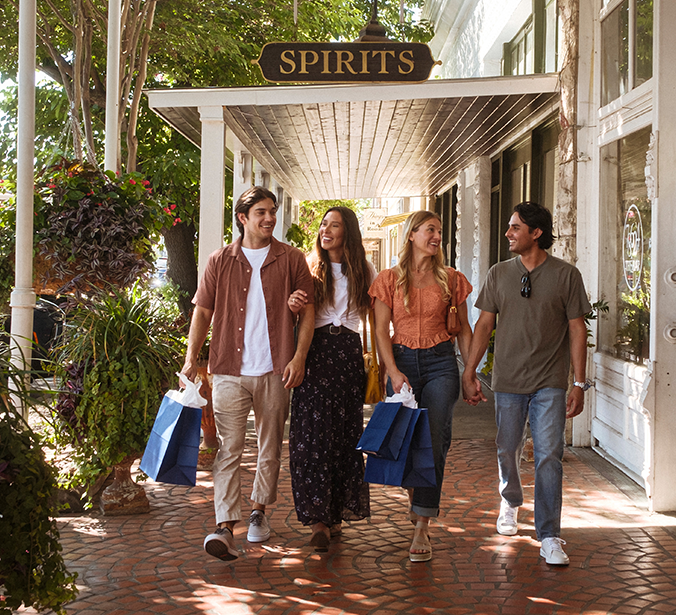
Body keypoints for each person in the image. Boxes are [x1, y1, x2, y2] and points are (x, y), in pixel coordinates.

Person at [181, 186, 315, 561]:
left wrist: (299, 356)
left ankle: (259, 511)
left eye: (272, 211)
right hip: (228, 369)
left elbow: (309, 312)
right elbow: (202, 312)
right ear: (243, 218)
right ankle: (225, 526)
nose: (269, 218)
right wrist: (192, 358)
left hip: (275, 370)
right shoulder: (220, 260)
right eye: (261, 212)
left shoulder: (291, 259)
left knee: (269, 449)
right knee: (228, 449)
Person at [462, 201, 590, 566]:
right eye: (509, 226)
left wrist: (579, 383)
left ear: (536, 233)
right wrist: (470, 371)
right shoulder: (499, 273)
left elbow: (577, 328)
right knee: (507, 447)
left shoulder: (567, 275)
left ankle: (549, 534)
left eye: (515, 227)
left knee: (550, 454)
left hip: (550, 380)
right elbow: (484, 325)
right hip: (507, 380)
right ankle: (511, 500)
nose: (508, 234)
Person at [369, 210, 473, 563]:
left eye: (440, 232)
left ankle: (422, 523)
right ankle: (419, 496)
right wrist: (392, 371)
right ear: (411, 235)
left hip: (441, 362)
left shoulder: (452, 279)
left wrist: (470, 371)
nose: (436, 237)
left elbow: (466, 330)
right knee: (408, 440)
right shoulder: (387, 280)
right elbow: (382, 330)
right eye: (430, 230)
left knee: (436, 436)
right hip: (402, 363)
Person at [287, 207, 376, 552]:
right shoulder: (308, 268)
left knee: (343, 437)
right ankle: (318, 520)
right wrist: (293, 305)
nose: (326, 230)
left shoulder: (364, 271)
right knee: (310, 437)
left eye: (334, 225)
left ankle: (335, 512)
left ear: (347, 232)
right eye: (323, 224)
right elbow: (291, 312)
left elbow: (376, 313)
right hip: (316, 352)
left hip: (348, 356)